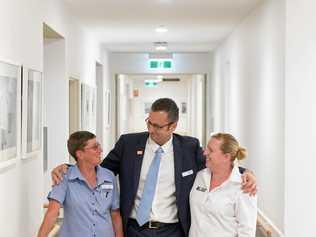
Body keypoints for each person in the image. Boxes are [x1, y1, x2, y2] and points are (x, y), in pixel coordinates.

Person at [52, 98, 256, 237]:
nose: (150, 129)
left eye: (157, 126)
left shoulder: (188, 147)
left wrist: (245, 172)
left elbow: (217, 165)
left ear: (173, 126)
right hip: (135, 228)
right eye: (149, 123)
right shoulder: (129, 144)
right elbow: (100, 170)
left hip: (173, 230)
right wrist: (69, 167)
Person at [38, 131, 123, 237]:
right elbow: (52, 213)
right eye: (95, 147)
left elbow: (115, 214)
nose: (100, 150)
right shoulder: (64, 177)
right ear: (80, 154)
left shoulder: (109, 176)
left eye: (99, 146)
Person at [189, 133, 257, 237]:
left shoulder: (243, 187)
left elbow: (247, 231)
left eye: (211, 150)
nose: (205, 152)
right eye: (206, 148)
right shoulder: (200, 176)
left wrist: (249, 172)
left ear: (226, 157)